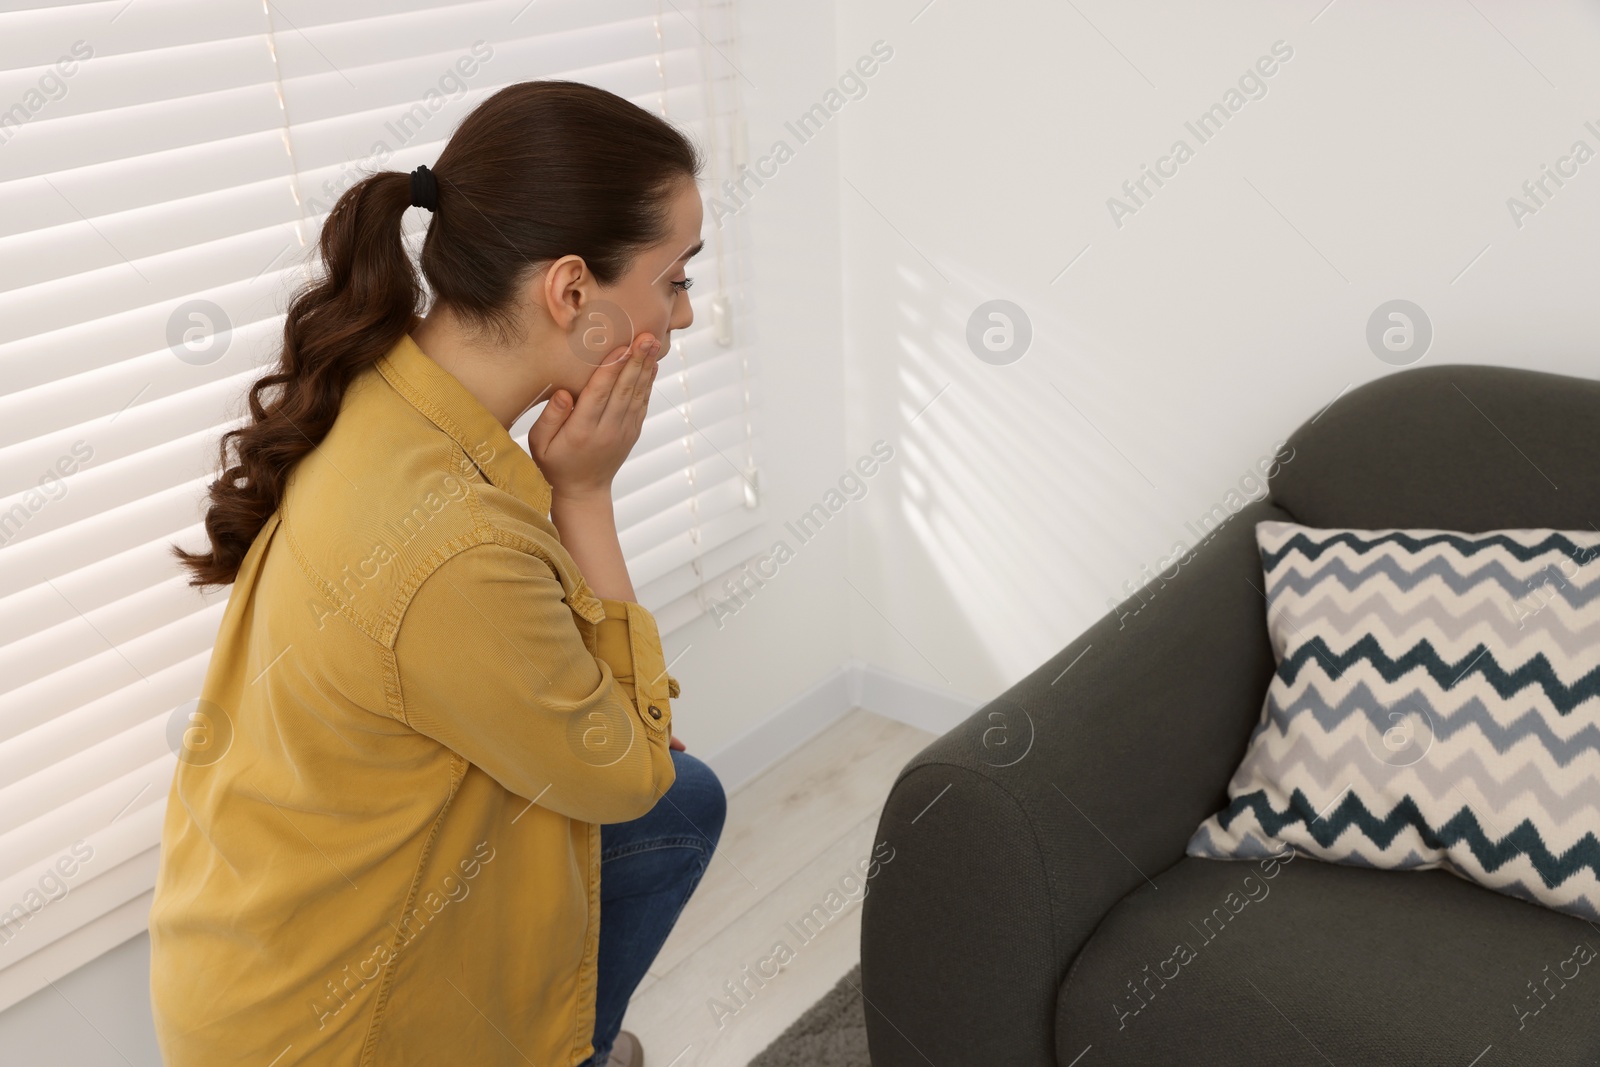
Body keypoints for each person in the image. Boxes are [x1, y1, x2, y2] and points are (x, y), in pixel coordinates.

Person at [149, 79, 726, 1067]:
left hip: (236, 944)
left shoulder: (387, 383)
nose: (682, 314)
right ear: (573, 291)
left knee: (687, 794)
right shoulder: (455, 544)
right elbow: (629, 766)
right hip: (328, 1027)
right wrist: (583, 495)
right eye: (674, 278)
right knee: (664, 790)